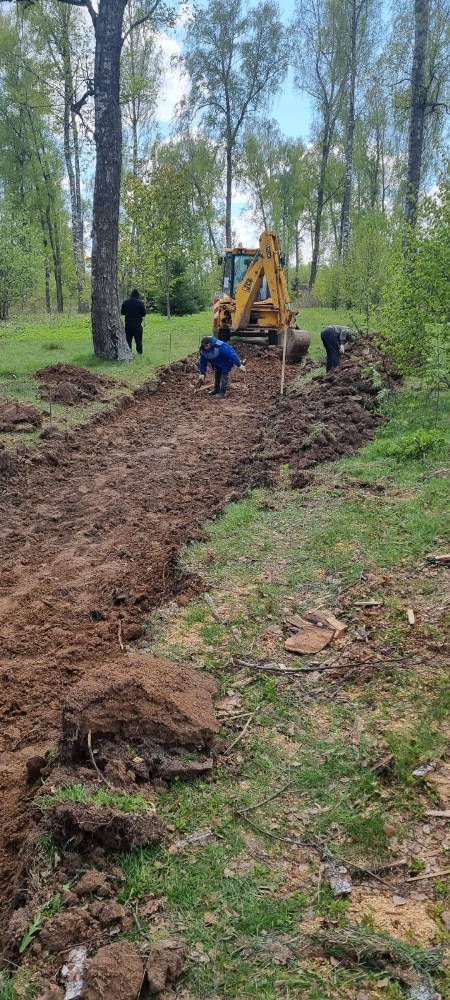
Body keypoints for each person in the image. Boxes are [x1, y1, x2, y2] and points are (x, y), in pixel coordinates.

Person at [121, 289, 147, 355]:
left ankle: (128, 353)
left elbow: (122, 312)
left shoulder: (125, 302)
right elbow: (144, 313)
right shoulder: (140, 302)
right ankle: (139, 352)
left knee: (128, 339)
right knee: (138, 339)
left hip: (128, 324)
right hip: (137, 324)